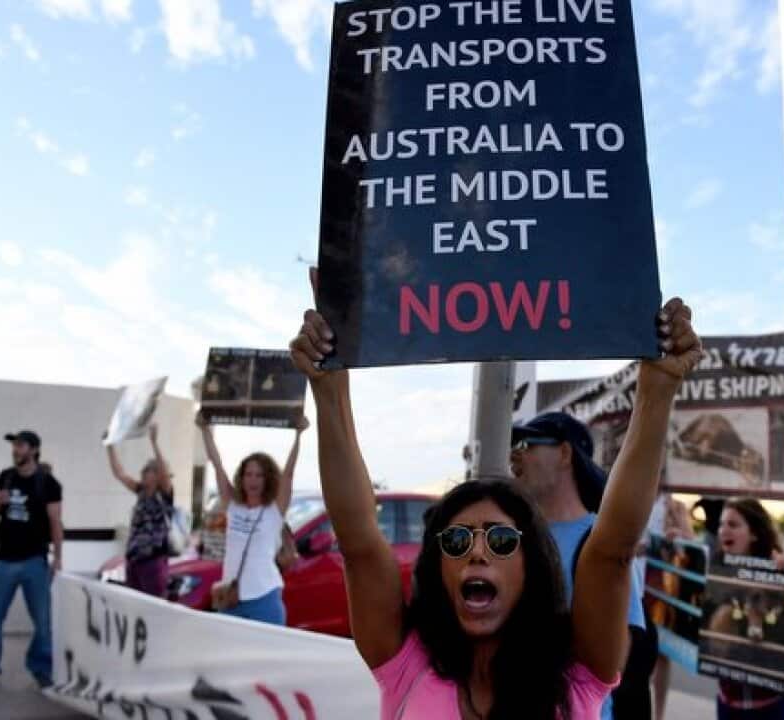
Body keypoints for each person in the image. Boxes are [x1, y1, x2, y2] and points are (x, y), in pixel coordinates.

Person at [290, 286, 701, 719]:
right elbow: (358, 544)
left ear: (531, 565)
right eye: (457, 542)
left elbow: (613, 551)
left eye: (502, 540)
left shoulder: (576, 672)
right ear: (439, 567)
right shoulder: (405, 664)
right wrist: (328, 385)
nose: (478, 553)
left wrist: (658, 390)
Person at [509, 410, 655, 720]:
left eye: (526, 445)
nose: (514, 456)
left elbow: (613, 663)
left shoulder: (601, 544)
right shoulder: (509, 538)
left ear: (564, 453)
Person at [0, 430, 63, 691]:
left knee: (43, 621)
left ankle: (41, 669)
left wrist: (57, 558)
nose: (16, 449)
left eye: (21, 445)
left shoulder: (48, 483)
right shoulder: (5, 477)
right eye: (14, 445)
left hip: (34, 562)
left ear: (34, 450)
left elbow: (55, 522)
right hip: (3, 560)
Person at [198, 413, 306, 624]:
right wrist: (204, 430)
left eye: (259, 475)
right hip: (230, 598)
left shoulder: (273, 510)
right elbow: (217, 465)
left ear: (268, 479)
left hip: (264, 597)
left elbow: (289, 475)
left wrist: (298, 435)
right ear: (242, 477)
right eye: (248, 474)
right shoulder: (233, 506)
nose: (253, 480)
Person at [709, 498, 784, 720]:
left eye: (733, 525)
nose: (723, 530)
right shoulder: (717, 572)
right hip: (729, 703)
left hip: (775, 706)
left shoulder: (777, 570)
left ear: (754, 533)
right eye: (722, 524)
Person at [106, 424, 174, 598]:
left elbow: (165, 473)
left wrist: (154, 443)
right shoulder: (140, 492)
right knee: (135, 603)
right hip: (134, 558)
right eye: (144, 471)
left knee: (154, 604)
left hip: (153, 559)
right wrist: (109, 446)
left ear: (157, 475)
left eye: (149, 471)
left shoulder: (164, 495)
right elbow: (119, 474)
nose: (143, 474)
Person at [643, 486, 693, 720]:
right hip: (635, 579)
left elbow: (690, 546)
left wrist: (679, 535)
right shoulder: (633, 495)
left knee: (662, 654)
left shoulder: (676, 507)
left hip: (661, 583)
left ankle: (659, 714)